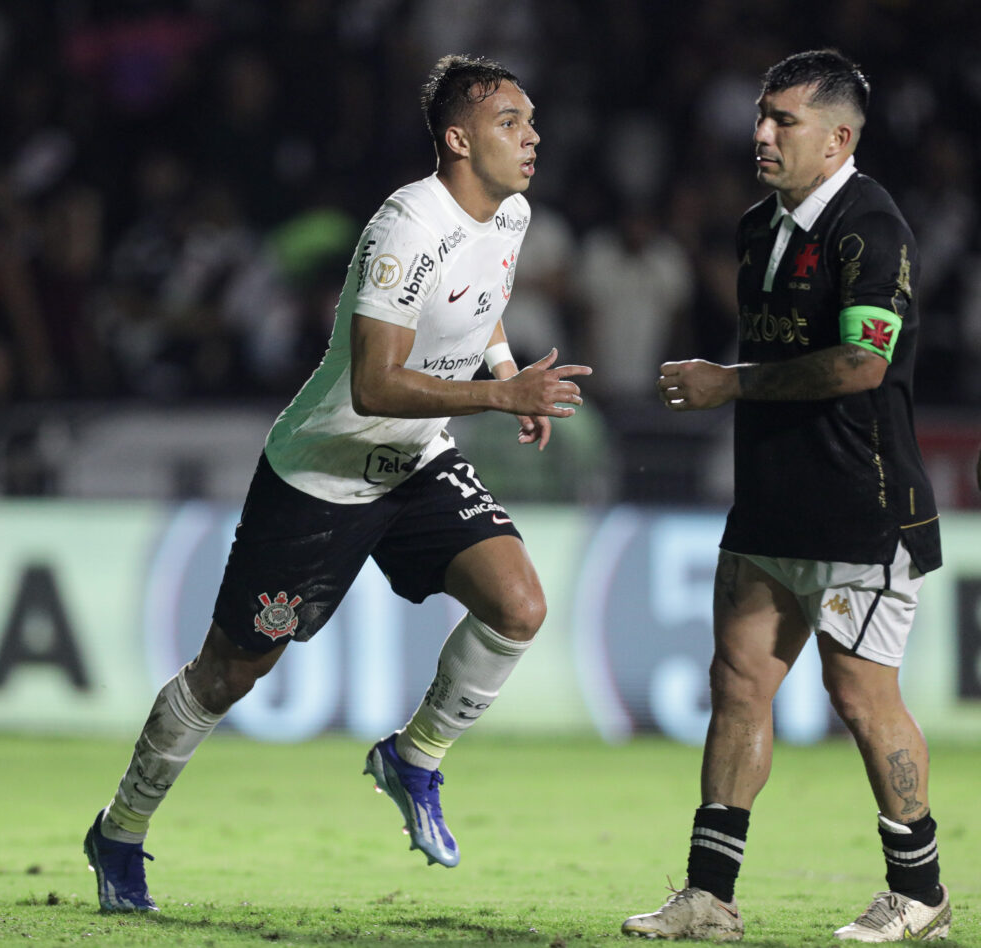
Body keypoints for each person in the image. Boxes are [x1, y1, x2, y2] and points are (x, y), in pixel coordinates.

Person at [83, 53, 591, 912]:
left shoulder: (511, 213)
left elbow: (482, 297)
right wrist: (500, 397)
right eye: (511, 122)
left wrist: (504, 367)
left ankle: (414, 757)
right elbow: (374, 384)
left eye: (532, 120)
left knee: (519, 606)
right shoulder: (405, 227)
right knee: (229, 673)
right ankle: (120, 829)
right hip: (322, 476)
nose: (533, 136)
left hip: (416, 460)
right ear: (458, 139)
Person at [621, 50, 949, 943]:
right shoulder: (756, 226)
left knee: (861, 698)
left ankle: (920, 892)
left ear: (837, 138)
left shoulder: (870, 227)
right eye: (761, 117)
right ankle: (708, 897)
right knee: (737, 686)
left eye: (783, 121)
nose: (761, 134)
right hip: (770, 504)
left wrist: (729, 383)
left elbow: (864, 363)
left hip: (862, 507)